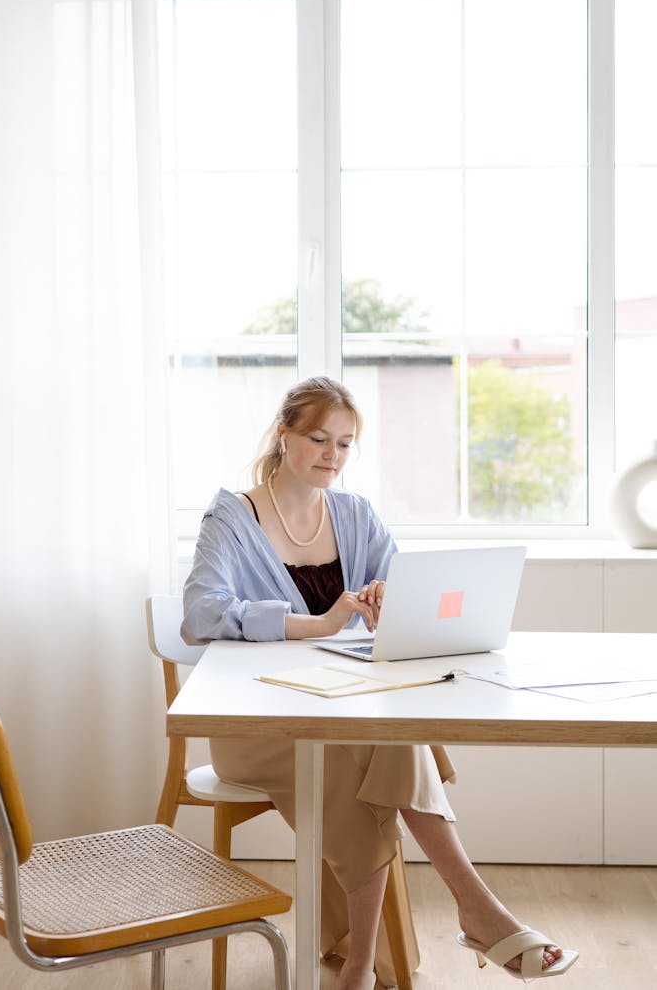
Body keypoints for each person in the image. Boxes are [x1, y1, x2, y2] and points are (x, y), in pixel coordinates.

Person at [182, 376, 578, 989]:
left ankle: (366, 968)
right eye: (318, 439)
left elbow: (406, 593)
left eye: (344, 444)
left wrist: (390, 599)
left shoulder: (356, 515)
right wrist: (316, 623)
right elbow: (202, 614)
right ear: (283, 434)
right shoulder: (231, 517)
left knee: (385, 742)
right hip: (256, 723)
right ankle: (473, 912)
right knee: (373, 754)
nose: (331, 457)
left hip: (341, 704)